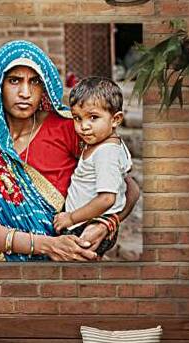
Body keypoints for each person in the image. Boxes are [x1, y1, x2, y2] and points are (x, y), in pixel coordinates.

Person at [0, 40, 139, 261]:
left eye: (34, 82)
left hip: (72, 260)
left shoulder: (68, 127)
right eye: (14, 81)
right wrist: (48, 246)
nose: (25, 92)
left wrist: (105, 223)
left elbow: (129, 190)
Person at [53, 77, 132, 257]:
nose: (84, 126)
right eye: (77, 118)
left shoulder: (106, 153)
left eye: (93, 117)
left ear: (116, 119)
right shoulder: (105, 144)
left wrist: (71, 218)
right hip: (87, 222)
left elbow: (107, 199)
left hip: (86, 227)